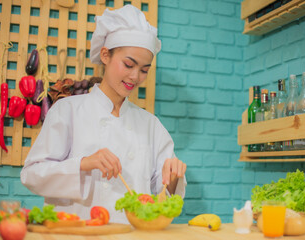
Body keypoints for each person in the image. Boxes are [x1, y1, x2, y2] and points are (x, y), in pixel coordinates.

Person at [20, 5, 187, 224]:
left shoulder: (151, 125)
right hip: (77, 234)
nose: (135, 76)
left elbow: (163, 197)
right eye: (128, 64)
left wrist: (172, 177)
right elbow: (32, 175)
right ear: (105, 55)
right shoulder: (67, 111)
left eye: (145, 69)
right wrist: (83, 164)